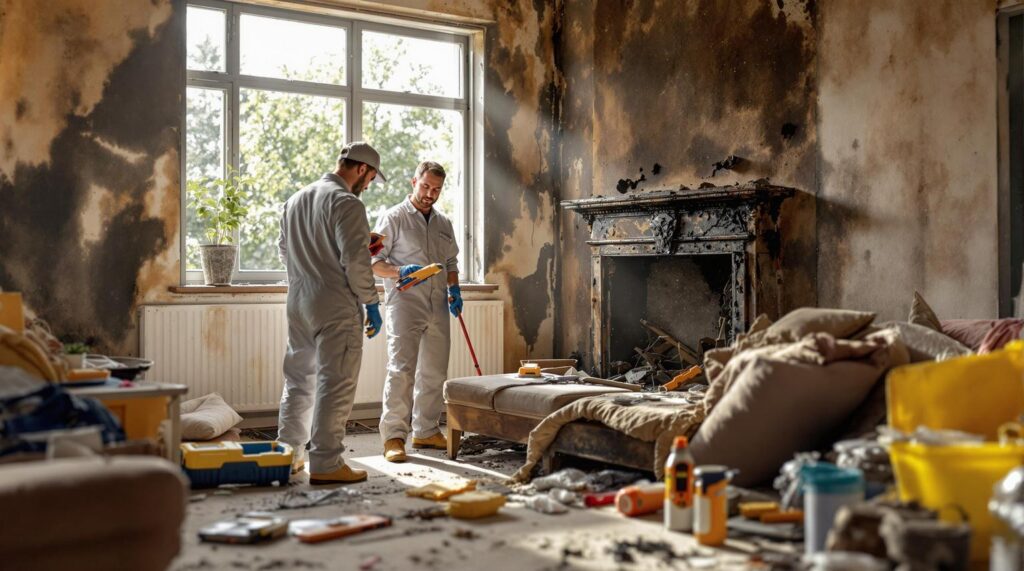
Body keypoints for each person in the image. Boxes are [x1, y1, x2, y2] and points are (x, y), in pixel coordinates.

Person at [277, 142, 386, 484]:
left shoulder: (295, 200)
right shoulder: (347, 202)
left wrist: (312, 269)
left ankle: (289, 454)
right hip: (335, 303)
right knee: (335, 381)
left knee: (298, 379)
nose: (367, 186)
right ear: (362, 170)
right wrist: (371, 302)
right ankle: (325, 463)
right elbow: (355, 261)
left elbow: (284, 249)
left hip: (299, 299)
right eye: (369, 179)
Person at [371, 161, 461, 462]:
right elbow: (372, 263)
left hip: (438, 304)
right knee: (401, 370)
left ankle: (425, 431)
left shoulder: (444, 223)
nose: (430, 194)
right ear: (414, 182)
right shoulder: (391, 218)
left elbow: (450, 263)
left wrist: (454, 289)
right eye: (425, 187)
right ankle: (394, 437)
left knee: (434, 372)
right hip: (405, 302)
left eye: (436, 190)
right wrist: (399, 270)